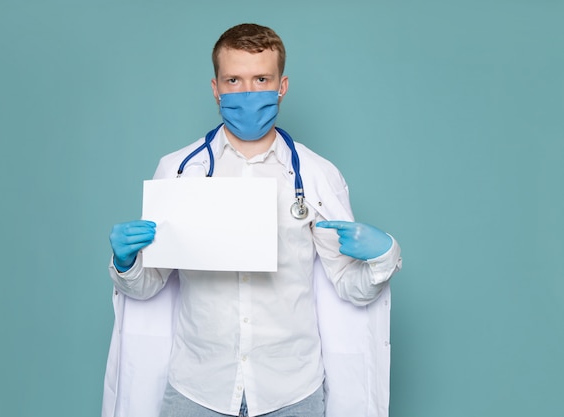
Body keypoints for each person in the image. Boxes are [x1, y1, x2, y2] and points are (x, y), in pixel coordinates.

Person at [103, 23, 402, 417]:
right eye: (234, 80)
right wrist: (126, 265)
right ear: (215, 88)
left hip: (291, 390)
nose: (248, 92)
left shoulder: (315, 175)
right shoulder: (178, 170)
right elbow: (147, 288)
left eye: (261, 79)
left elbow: (351, 288)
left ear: (282, 86)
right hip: (198, 388)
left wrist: (384, 255)